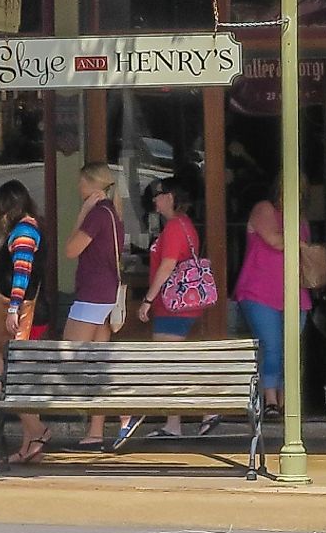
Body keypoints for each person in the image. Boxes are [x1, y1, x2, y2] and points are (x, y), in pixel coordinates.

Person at [131, 178, 213, 441]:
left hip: (173, 307)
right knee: (171, 362)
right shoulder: (182, 226)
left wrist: (147, 299)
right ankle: (173, 423)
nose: (155, 199)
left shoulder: (176, 227)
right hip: (178, 306)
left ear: (172, 197)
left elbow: (167, 266)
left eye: (160, 194)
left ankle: (208, 408)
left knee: (168, 363)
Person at [0, 178, 48, 465]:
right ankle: (30, 441)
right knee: (14, 379)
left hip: (21, 316)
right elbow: (21, 263)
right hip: (28, 313)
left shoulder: (23, 230)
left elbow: (22, 272)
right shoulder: (29, 228)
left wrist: (13, 308)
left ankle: (39, 431)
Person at [61, 161, 126, 446]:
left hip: (92, 296)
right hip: (107, 296)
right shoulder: (113, 213)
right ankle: (96, 431)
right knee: (97, 363)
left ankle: (125, 411)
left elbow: (71, 249)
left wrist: (82, 213)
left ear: (91, 184)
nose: (78, 187)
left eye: (81, 182)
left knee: (70, 358)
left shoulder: (97, 214)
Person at [233, 193, 312, 420]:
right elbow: (275, 240)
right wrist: (299, 242)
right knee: (272, 345)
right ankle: (270, 401)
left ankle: (289, 401)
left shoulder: (301, 217)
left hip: (295, 292)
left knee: (292, 348)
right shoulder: (263, 208)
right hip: (260, 291)